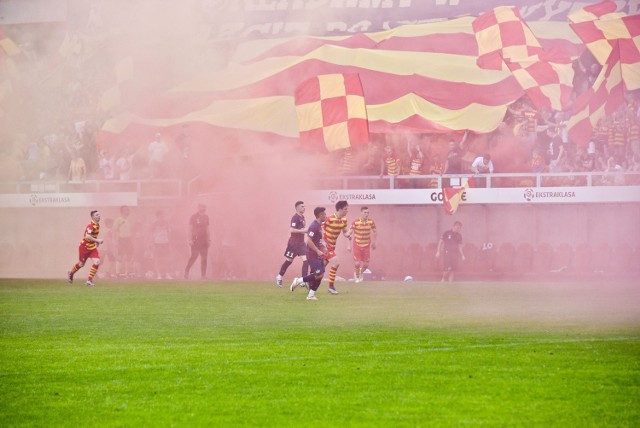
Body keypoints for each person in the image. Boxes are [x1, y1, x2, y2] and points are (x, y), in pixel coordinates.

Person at [290, 207, 328, 301]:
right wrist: (317, 251)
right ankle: (298, 281)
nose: (326, 216)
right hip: (312, 254)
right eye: (324, 214)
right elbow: (308, 240)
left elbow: (318, 239)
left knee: (321, 275)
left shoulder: (319, 225)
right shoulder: (314, 226)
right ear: (320, 215)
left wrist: (324, 245)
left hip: (317, 253)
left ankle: (311, 295)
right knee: (318, 275)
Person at [275, 201, 309, 287]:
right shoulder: (295, 217)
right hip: (293, 243)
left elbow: (303, 229)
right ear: (297, 208)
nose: (304, 208)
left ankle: (302, 280)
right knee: (289, 261)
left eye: (304, 206)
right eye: (302, 206)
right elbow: (292, 230)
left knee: (306, 260)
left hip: (301, 243)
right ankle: (279, 277)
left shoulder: (303, 217)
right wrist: (302, 231)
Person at [322, 200, 352, 294]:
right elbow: (319, 229)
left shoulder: (344, 220)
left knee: (320, 269)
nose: (347, 211)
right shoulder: (329, 219)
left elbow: (345, 232)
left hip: (332, 247)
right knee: (336, 263)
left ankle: (303, 281)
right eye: (345, 209)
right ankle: (331, 287)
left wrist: (348, 234)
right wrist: (322, 243)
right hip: (325, 247)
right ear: (340, 209)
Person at [67, 210, 104, 286]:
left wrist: (96, 242)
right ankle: (71, 273)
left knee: (97, 262)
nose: (99, 216)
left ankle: (89, 281)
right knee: (81, 264)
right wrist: (97, 240)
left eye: (99, 215)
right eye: (97, 215)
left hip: (92, 247)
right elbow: (87, 236)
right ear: (93, 217)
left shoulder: (97, 225)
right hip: (84, 247)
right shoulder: (90, 225)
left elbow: (93, 236)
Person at [350, 206, 377, 283]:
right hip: (357, 244)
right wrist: (348, 243)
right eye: (365, 212)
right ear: (361, 213)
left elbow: (375, 231)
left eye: (368, 213)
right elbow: (350, 233)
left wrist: (374, 242)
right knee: (357, 263)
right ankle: (356, 275)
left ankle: (360, 273)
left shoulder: (371, 222)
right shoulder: (355, 222)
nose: (367, 214)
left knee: (366, 265)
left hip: (366, 245)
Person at [184, 203, 210, 280]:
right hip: (195, 240)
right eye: (202, 207)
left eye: (205, 207)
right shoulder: (193, 217)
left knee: (204, 258)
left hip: (204, 240)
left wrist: (209, 239)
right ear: (198, 208)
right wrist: (189, 239)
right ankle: (186, 271)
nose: (204, 208)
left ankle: (203, 275)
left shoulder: (206, 217)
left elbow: (207, 229)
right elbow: (190, 229)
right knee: (194, 256)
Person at [112, 205, 133, 278]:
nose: (128, 211)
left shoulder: (129, 220)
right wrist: (115, 241)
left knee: (129, 256)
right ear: (122, 211)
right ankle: (117, 273)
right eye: (126, 210)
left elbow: (130, 231)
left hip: (128, 239)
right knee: (120, 256)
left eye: (128, 209)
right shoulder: (118, 220)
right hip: (121, 239)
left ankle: (126, 273)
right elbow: (115, 231)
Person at [151, 210, 172, 280]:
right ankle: (159, 274)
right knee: (158, 259)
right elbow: (151, 235)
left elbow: (169, 232)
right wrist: (152, 244)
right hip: (157, 243)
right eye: (161, 215)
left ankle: (167, 274)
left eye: (163, 215)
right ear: (158, 216)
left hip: (165, 242)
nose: (162, 216)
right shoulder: (154, 224)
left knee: (167, 259)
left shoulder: (166, 222)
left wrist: (169, 241)